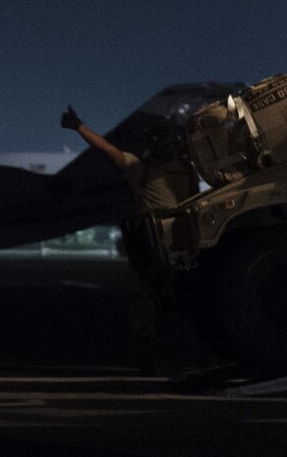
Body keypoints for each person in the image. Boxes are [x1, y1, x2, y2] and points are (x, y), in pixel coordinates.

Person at [61, 104, 192, 372]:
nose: (168, 145)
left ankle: (166, 355)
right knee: (153, 305)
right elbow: (107, 149)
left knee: (163, 304)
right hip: (159, 246)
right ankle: (157, 356)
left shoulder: (177, 168)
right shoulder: (148, 167)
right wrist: (80, 128)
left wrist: (79, 127)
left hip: (172, 245)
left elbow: (107, 149)